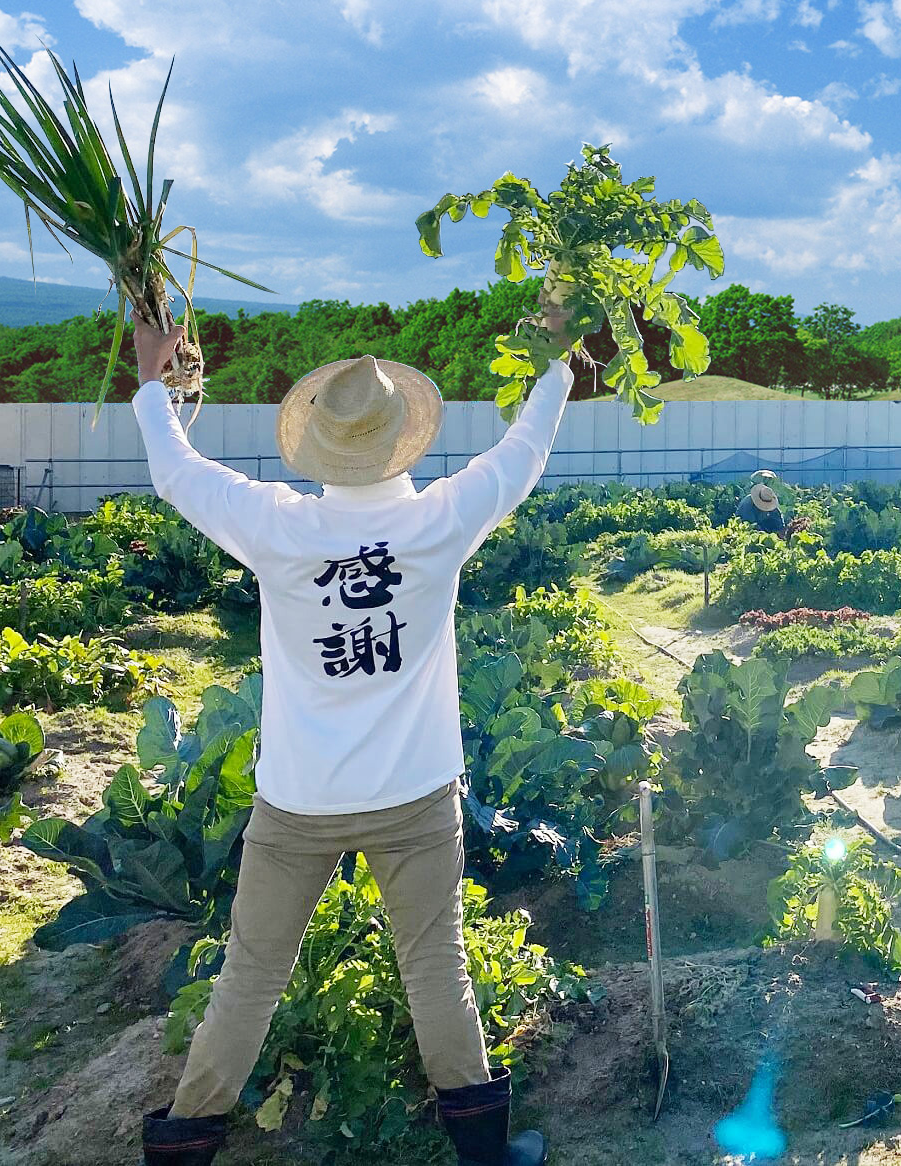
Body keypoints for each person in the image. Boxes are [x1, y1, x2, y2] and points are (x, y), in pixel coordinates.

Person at [129, 310, 571, 1166]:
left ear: (321, 447)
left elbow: (178, 475)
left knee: (250, 977)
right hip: (415, 794)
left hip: (297, 801)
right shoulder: (439, 521)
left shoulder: (280, 526)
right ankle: (482, 1151)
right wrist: (553, 365)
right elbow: (522, 458)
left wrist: (154, 380)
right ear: (404, 434)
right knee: (436, 965)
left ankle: (184, 1144)